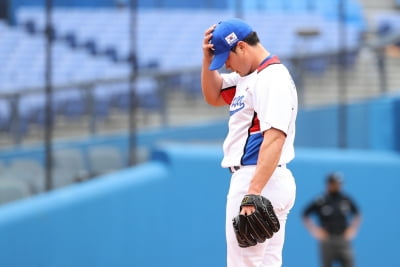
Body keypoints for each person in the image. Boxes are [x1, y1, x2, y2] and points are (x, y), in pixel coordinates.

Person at [201, 18, 298, 267]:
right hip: (266, 179)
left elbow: (275, 137)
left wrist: (252, 194)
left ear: (242, 47)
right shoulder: (249, 76)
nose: (228, 66)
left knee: (244, 264)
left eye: (228, 58)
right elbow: (212, 95)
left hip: (257, 179)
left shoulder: (270, 78)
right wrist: (206, 59)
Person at [302, 172, 361, 267]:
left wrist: (352, 229)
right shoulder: (321, 200)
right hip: (327, 240)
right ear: (328, 184)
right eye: (334, 183)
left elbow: (357, 214)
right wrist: (315, 230)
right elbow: (305, 214)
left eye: (339, 183)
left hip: (343, 239)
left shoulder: (345, 199)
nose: (337, 186)